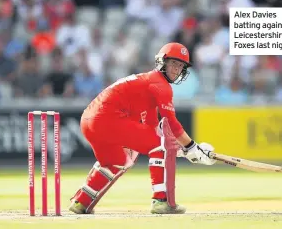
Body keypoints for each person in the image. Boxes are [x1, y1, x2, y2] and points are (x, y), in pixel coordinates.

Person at [69, 42, 216, 215]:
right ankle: (160, 200)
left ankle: (81, 202)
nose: (177, 69)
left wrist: (179, 150)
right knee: (158, 145)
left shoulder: (147, 83)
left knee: (118, 161)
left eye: (181, 66)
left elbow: (152, 128)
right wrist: (192, 147)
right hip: (108, 119)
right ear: (162, 62)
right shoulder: (160, 85)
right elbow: (171, 123)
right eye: (174, 63)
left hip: (89, 120)